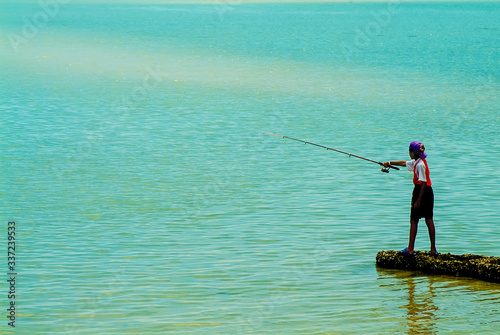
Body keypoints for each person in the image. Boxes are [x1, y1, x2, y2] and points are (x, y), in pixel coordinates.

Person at [383, 141, 437, 256]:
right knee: (429, 219)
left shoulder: (420, 165)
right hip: (428, 191)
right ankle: (433, 250)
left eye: (409, 151)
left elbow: (423, 182)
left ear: (412, 152)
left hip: (421, 191)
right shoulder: (418, 162)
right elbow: (404, 163)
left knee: (414, 220)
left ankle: (410, 249)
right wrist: (389, 163)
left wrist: (418, 201)